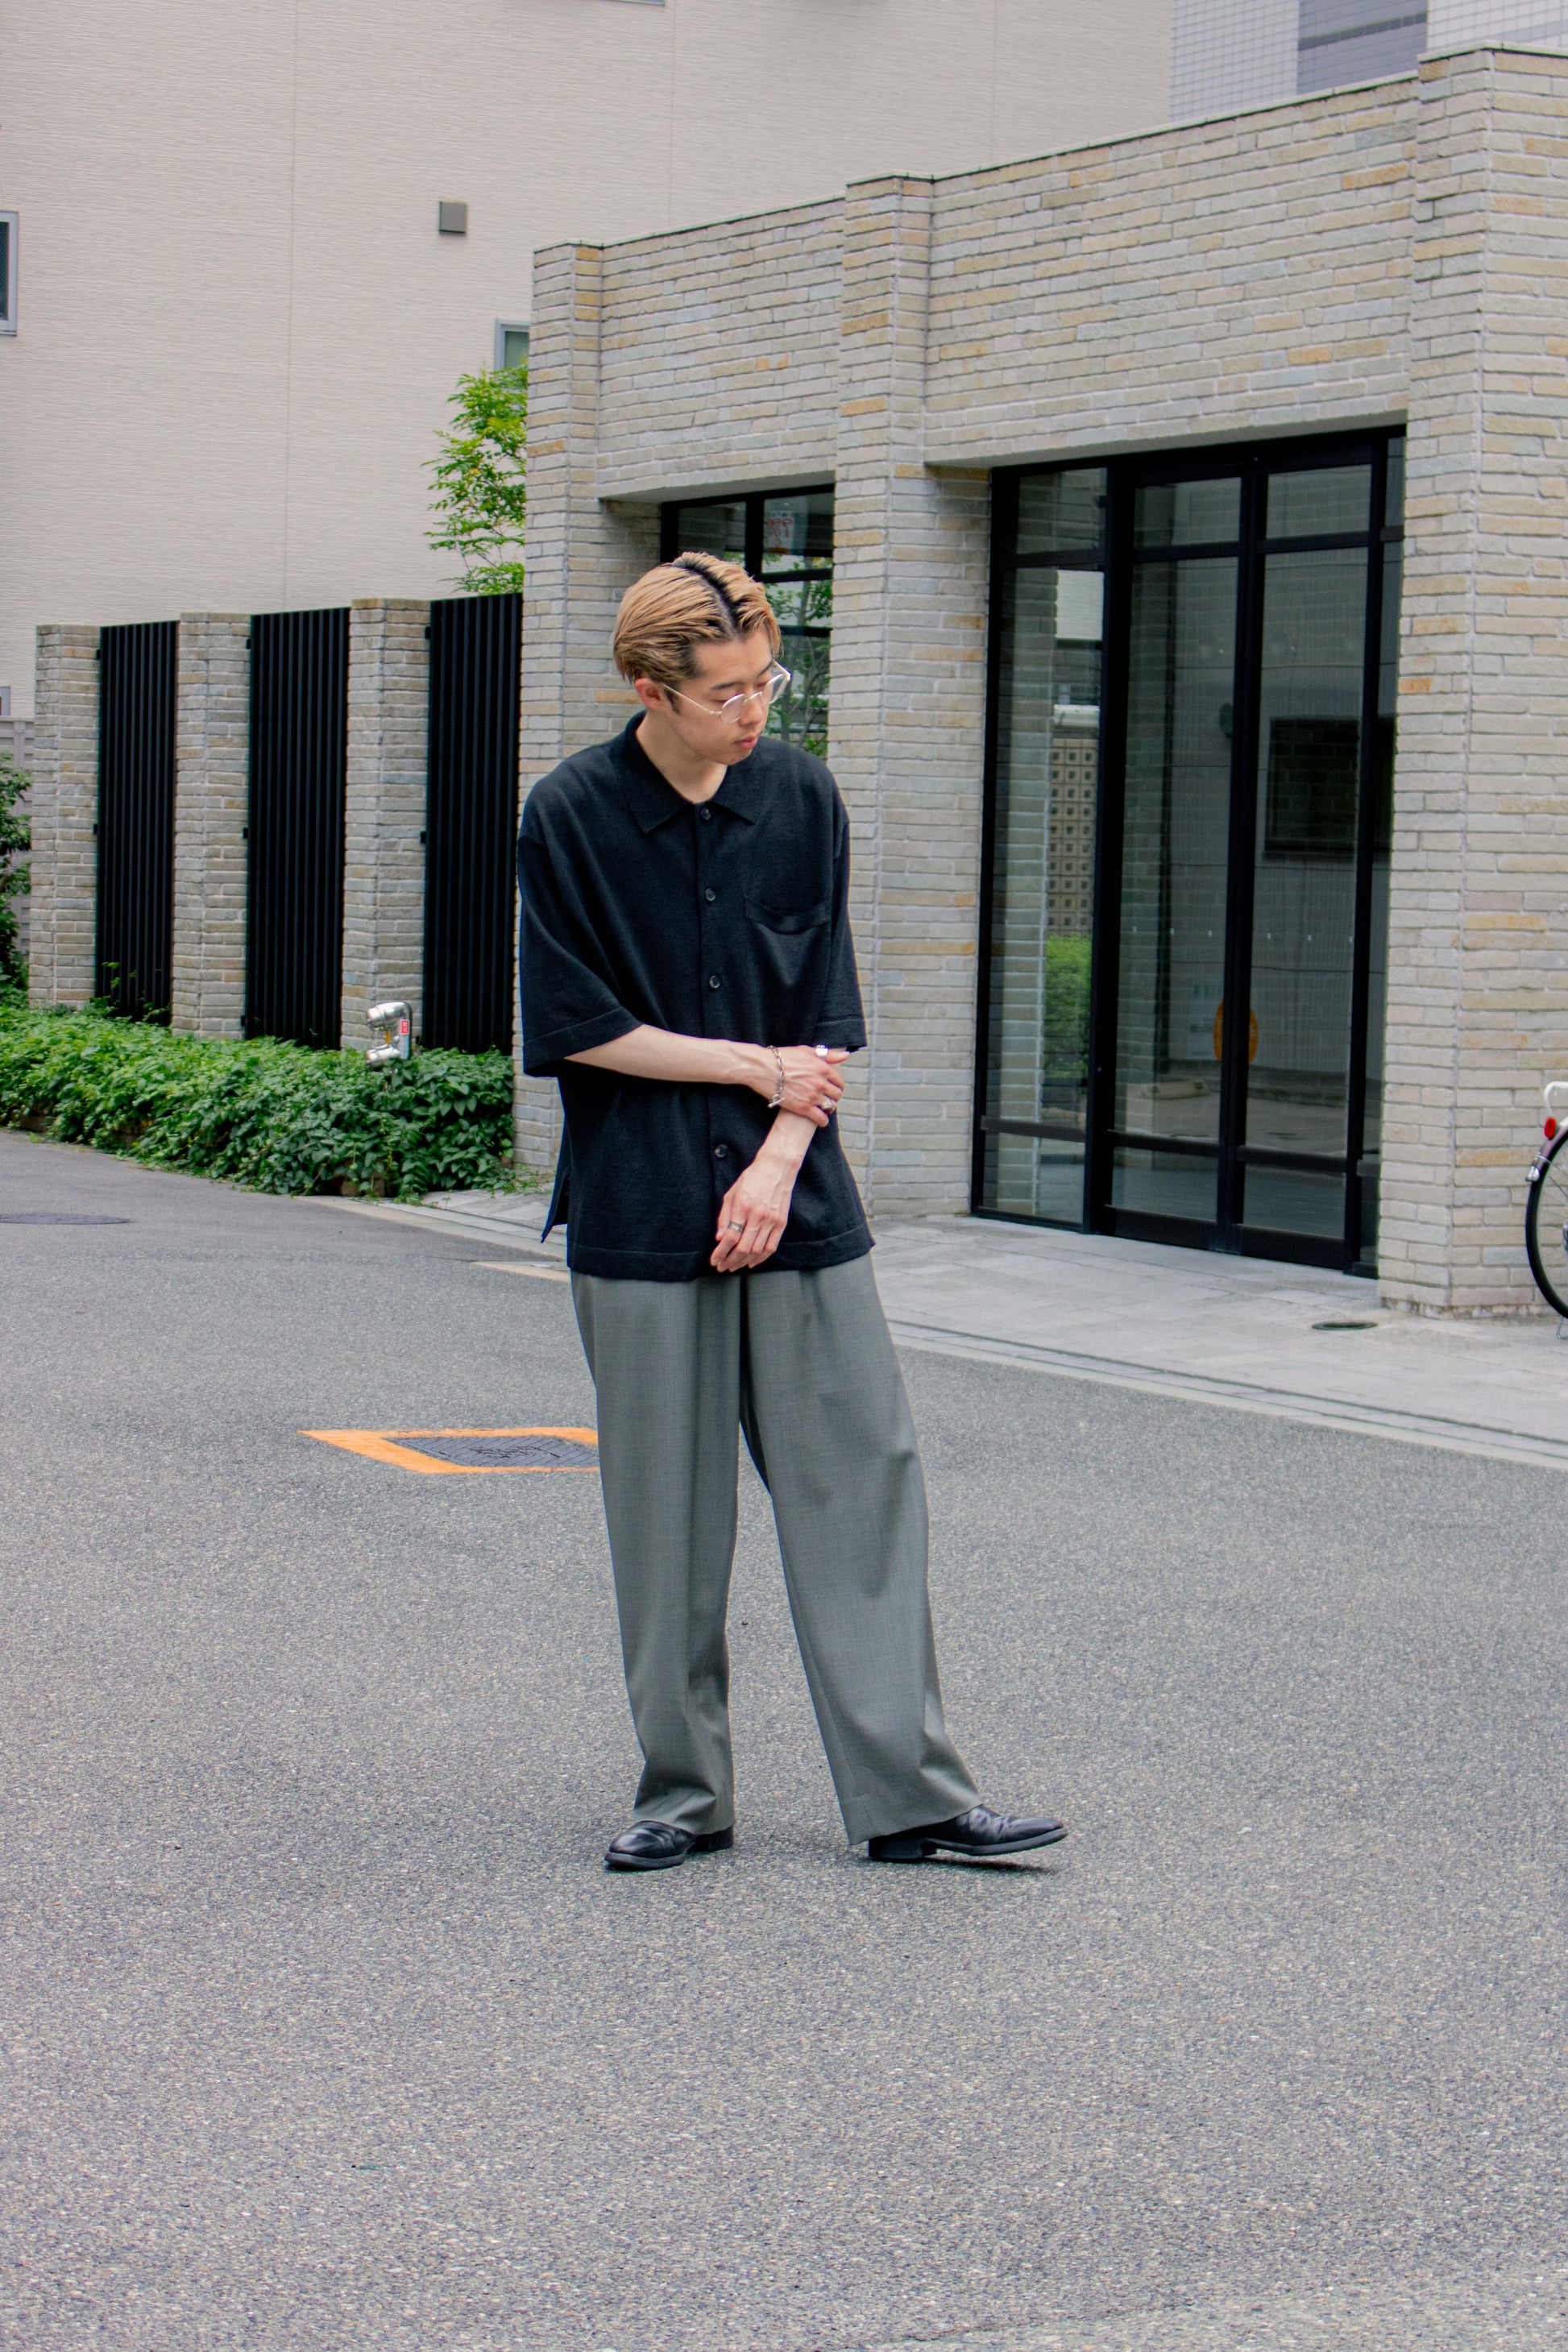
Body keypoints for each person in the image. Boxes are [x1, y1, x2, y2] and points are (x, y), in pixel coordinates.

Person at [517, 550, 1066, 1873]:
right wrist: (753, 1068)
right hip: (642, 1201)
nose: (754, 710)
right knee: (666, 1514)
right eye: (726, 692)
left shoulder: (802, 797)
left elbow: (825, 1009)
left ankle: (912, 1799)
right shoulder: (571, 812)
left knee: (862, 1478)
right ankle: (681, 1797)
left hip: (796, 1192)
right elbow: (578, 1025)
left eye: (767, 681)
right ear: (649, 688)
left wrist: (774, 1156)